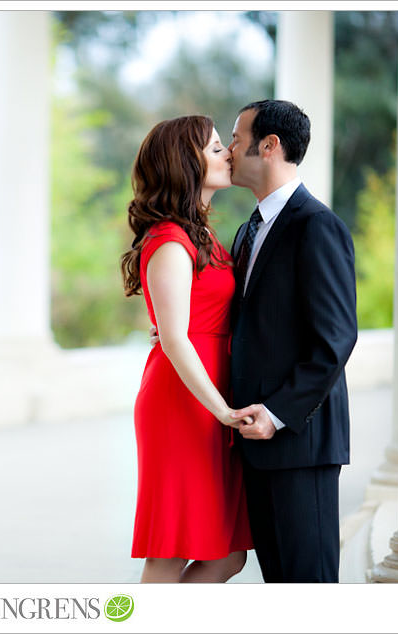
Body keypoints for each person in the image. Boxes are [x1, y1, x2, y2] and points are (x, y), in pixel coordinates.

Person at [224, 100, 358, 582]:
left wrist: (277, 413)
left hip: (301, 442)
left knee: (309, 588)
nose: (229, 149)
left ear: (269, 145)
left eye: (236, 138)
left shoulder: (317, 225)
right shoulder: (247, 232)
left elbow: (336, 338)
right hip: (254, 442)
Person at [121, 116, 253, 583]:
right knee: (172, 550)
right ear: (186, 162)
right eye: (217, 148)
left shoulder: (203, 236)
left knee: (227, 554)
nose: (228, 155)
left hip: (212, 397)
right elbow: (176, 338)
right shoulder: (171, 240)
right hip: (185, 403)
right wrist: (222, 410)